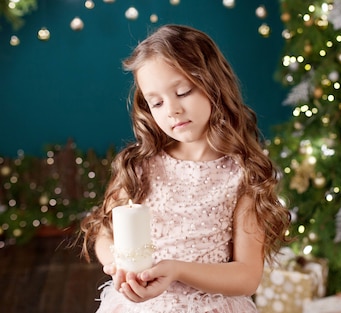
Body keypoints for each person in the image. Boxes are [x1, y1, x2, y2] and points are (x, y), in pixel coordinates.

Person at [79, 24, 291, 313]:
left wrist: (177, 270)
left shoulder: (243, 175)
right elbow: (106, 234)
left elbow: (247, 276)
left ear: (214, 85)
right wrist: (119, 265)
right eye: (156, 102)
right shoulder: (139, 165)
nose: (172, 110)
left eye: (183, 92)